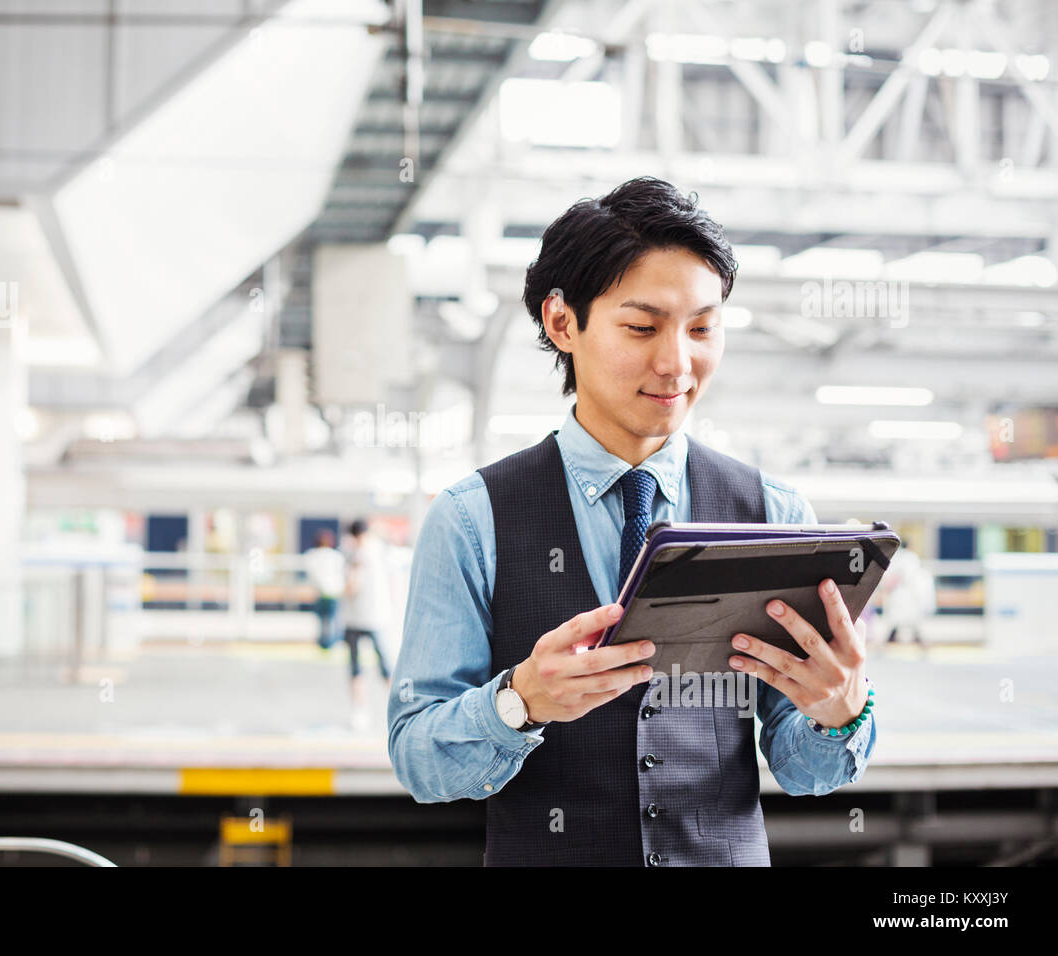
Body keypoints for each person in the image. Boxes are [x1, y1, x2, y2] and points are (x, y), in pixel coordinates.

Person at [388, 177, 878, 866]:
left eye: (703, 328)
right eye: (642, 327)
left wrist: (840, 714)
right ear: (563, 323)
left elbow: (806, 772)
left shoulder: (773, 514)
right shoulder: (473, 520)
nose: (677, 362)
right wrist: (518, 702)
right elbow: (418, 758)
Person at [343, 519, 392, 730]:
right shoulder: (382, 551)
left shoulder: (357, 555)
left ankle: (360, 712)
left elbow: (352, 586)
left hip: (357, 618)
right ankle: (393, 710)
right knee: (385, 666)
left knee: (356, 667)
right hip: (379, 617)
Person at [303, 529, 345, 649]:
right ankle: (331, 642)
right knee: (332, 619)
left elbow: (312, 574)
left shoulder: (312, 555)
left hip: (320, 593)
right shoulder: (336, 556)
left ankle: (324, 643)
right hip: (334, 592)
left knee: (323, 619)